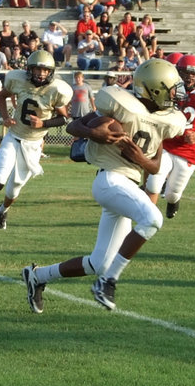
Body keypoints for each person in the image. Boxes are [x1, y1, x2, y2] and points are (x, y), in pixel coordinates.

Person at [22, 58, 186, 313]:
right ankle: (107, 282)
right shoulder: (120, 105)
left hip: (128, 184)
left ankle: (38, 277)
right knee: (153, 219)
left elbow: (154, 166)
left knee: (99, 262)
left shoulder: (166, 120)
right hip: (110, 179)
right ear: (155, 89)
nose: (175, 93)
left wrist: (138, 157)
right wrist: (93, 133)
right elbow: (74, 126)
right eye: (171, 88)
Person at [0, 50, 72, 233]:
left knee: (13, 190)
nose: (41, 73)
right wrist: (5, 117)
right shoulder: (18, 80)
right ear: (29, 69)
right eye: (37, 69)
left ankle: (3, 209)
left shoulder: (56, 89)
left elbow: (64, 118)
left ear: (50, 72)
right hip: (13, 137)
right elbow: (1, 96)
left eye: (45, 70)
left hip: (33, 144)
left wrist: (44, 123)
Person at [146, 54, 195, 219]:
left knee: (173, 192)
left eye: (193, 74)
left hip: (188, 148)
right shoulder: (167, 87)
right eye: (185, 73)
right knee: (154, 181)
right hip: (166, 142)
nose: (188, 77)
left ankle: (174, 201)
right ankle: (146, 217)